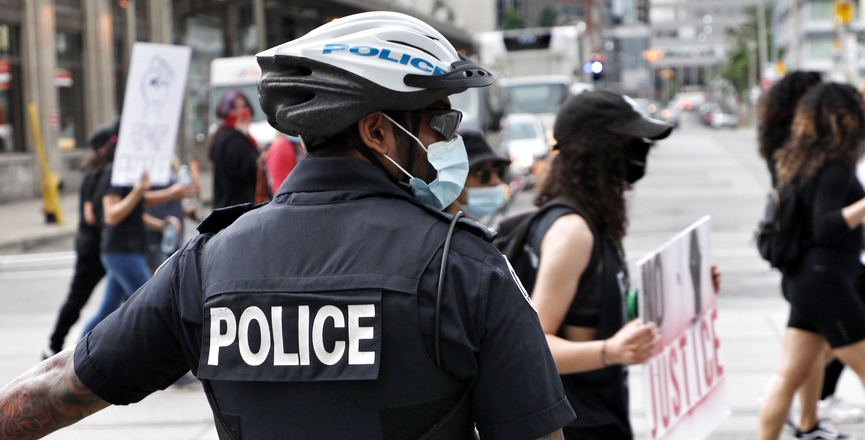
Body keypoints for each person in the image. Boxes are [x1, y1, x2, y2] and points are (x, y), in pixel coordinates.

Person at [0, 12, 575, 440]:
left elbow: (59, 386)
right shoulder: (467, 267)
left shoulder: (208, 264)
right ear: (377, 130)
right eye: (440, 122)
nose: (450, 144)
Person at [522, 90, 668, 440]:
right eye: (632, 143)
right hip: (580, 424)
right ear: (600, 150)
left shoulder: (590, 220)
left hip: (596, 417)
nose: (641, 153)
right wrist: (611, 352)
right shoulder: (573, 231)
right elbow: (534, 347)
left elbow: (600, 311)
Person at [758, 82, 865, 440]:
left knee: (789, 375)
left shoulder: (803, 161)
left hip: (808, 279)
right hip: (827, 280)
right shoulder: (834, 166)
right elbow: (826, 225)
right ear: (843, 118)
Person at [79, 138, 191, 337]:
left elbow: (134, 208)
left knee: (110, 309)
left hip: (125, 250)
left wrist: (160, 222)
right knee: (151, 304)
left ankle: (79, 355)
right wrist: (143, 191)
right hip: (121, 250)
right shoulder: (113, 173)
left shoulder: (126, 173)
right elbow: (112, 215)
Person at [42, 121, 117, 359]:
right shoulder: (93, 176)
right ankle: (55, 345)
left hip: (104, 245)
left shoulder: (103, 172)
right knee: (78, 300)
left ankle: (104, 348)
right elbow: (90, 215)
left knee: (117, 300)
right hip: (92, 248)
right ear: (103, 149)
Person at [208, 89, 261, 209]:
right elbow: (253, 167)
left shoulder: (221, 135)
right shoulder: (234, 140)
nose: (241, 112)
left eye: (244, 107)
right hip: (238, 208)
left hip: (227, 207)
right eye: (235, 108)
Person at [444, 129, 510, 219]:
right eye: (483, 174)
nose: (495, 181)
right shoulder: (438, 231)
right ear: (453, 180)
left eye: (500, 171)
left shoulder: (490, 227)